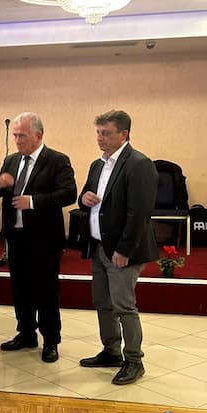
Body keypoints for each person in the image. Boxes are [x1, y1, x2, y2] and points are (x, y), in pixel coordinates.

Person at [0, 112, 76, 363]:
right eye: (15, 135)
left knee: (46, 290)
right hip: (16, 237)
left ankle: (51, 341)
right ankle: (26, 333)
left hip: (44, 238)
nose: (17, 140)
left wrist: (33, 201)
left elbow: (69, 193)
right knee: (20, 288)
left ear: (38, 135)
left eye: (22, 136)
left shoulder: (57, 160)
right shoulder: (11, 160)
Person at [78, 110, 158, 385]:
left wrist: (124, 250)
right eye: (98, 133)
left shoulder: (138, 164)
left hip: (122, 250)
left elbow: (139, 213)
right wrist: (84, 198)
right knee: (102, 302)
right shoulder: (97, 165)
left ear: (124, 134)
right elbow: (85, 196)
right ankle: (111, 351)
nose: (100, 138)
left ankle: (134, 360)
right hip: (99, 245)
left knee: (124, 306)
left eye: (106, 133)